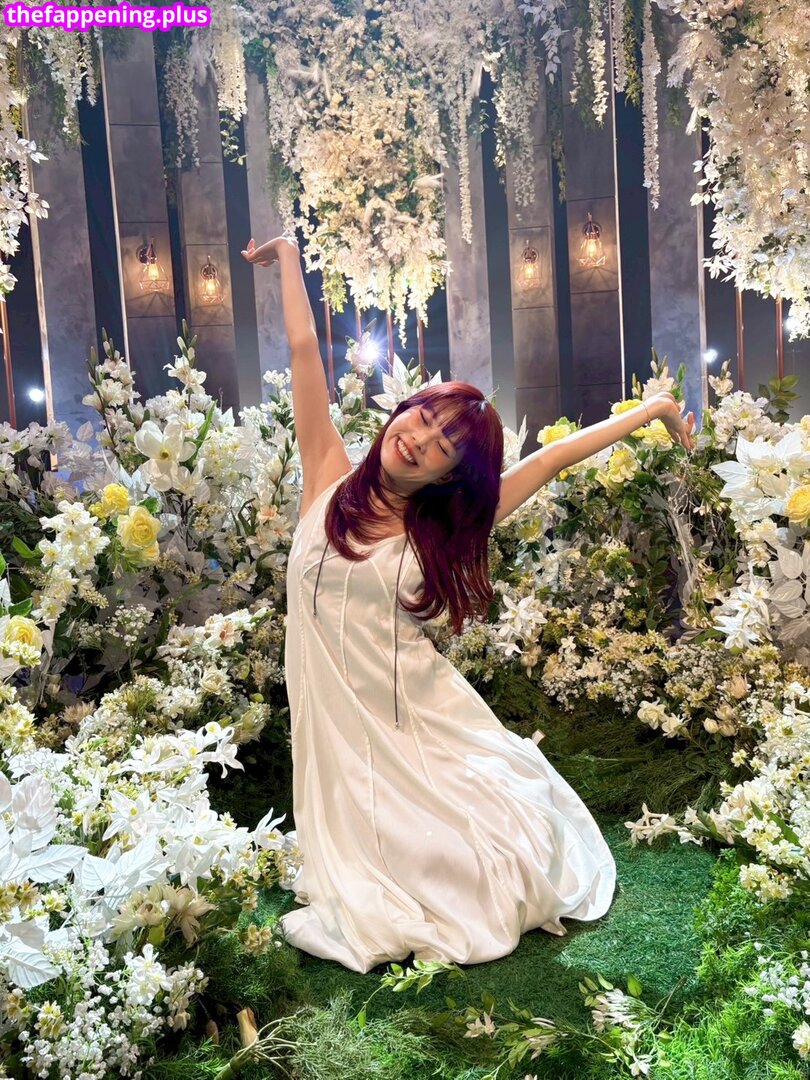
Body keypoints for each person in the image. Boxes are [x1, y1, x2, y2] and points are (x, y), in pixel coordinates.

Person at [241, 235, 696, 974]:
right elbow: (303, 354)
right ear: (402, 412)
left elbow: (550, 460)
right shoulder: (326, 475)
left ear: (453, 473)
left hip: (410, 717)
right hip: (333, 720)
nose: (420, 440)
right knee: (375, 863)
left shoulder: (448, 532)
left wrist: (654, 410)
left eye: (444, 444)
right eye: (423, 418)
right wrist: (291, 260)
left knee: (471, 869)